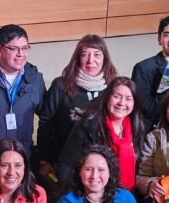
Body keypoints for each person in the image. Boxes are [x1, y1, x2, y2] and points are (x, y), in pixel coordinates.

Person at [37, 34, 118, 183]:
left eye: (97, 55)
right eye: (85, 55)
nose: (90, 60)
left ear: (104, 58)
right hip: (65, 164)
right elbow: (46, 124)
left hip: (101, 166)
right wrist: (44, 159)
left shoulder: (113, 88)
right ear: (77, 58)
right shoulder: (61, 86)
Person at [57, 77, 146, 192]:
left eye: (128, 99)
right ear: (107, 98)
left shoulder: (138, 128)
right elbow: (66, 164)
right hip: (89, 195)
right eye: (116, 96)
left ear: (134, 103)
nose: (122, 103)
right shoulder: (87, 125)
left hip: (127, 197)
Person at [0, 24, 46, 155]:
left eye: (25, 48)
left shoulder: (35, 79)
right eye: (14, 49)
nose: (20, 54)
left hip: (22, 158)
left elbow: (47, 117)